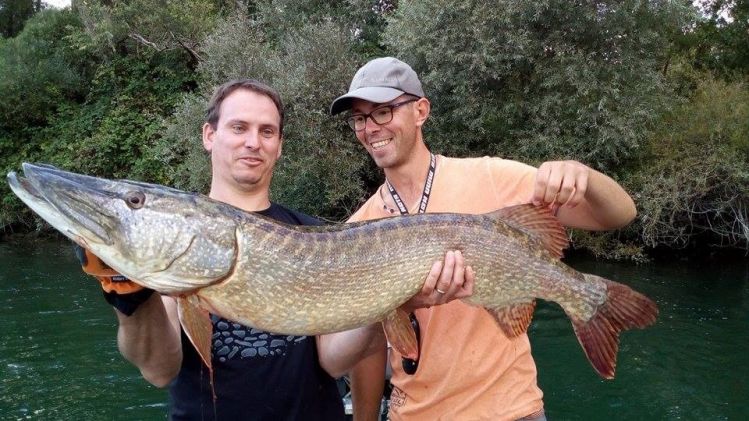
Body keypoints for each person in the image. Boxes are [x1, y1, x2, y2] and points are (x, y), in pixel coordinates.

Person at [75, 79, 469, 420]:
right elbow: (160, 369)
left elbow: (332, 359)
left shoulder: (316, 235)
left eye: (267, 131)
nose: (253, 141)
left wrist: (393, 299)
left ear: (279, 146)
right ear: (209, 135)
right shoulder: (178, 233)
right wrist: (128, 295)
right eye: (239, 127)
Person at [330, 57, 637, 421]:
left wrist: (583, 175)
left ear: (420, 111)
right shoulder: (357, 229)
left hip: (511, 411)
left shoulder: (492, 177)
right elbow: (365, 351)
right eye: (360, 119)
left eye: (383, 111)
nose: (370, 128)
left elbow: (619, 214)